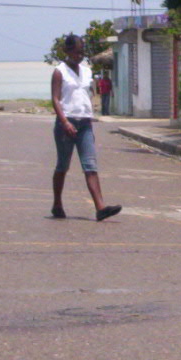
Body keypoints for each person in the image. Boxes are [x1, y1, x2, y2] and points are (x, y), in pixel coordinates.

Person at [50, 34, 121, 221]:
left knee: (90, 166)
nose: (79, 55)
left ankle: (100, 208)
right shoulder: (60, 71)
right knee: (62, 166)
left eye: (82, 52)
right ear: (67, 51)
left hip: (85, 123)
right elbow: (55, 98)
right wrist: (64, 122)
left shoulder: (87, 71)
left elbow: (87, 94)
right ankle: (57, 203)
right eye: (76, 51)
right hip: (66, 123)